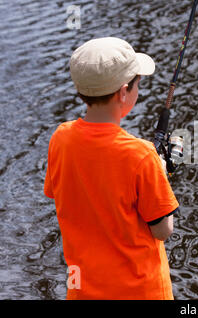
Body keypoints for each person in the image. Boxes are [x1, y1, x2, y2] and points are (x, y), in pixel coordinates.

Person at [43, 37, 179, 300]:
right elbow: (163, 231)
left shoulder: (60, 138)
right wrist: (160, 174)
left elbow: (67, 194)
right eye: (138, 84)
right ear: (123, 92)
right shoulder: (141, 155)